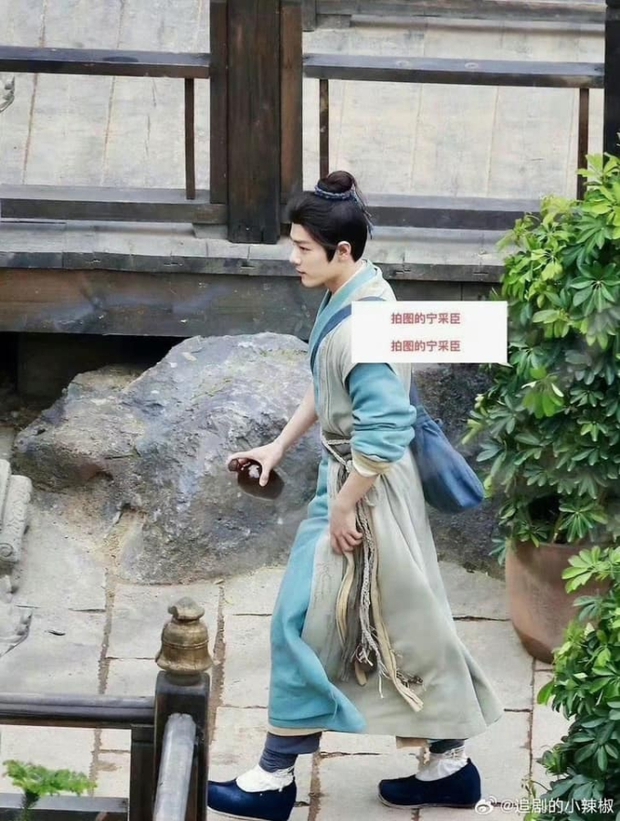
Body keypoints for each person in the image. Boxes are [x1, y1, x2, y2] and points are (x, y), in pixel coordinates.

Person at [207, 171, 504, 821]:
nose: (292, 258)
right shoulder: (359, 291)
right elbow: (329, 382)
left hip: (365, 493)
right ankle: (450, 766)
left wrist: (345, 504)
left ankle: (274, 778)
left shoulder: (364, 320)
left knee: (299, 621)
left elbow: (387, 424)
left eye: (302, 248)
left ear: (341, 250)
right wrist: (278, 446)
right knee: (408, 623)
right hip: (357, 484)